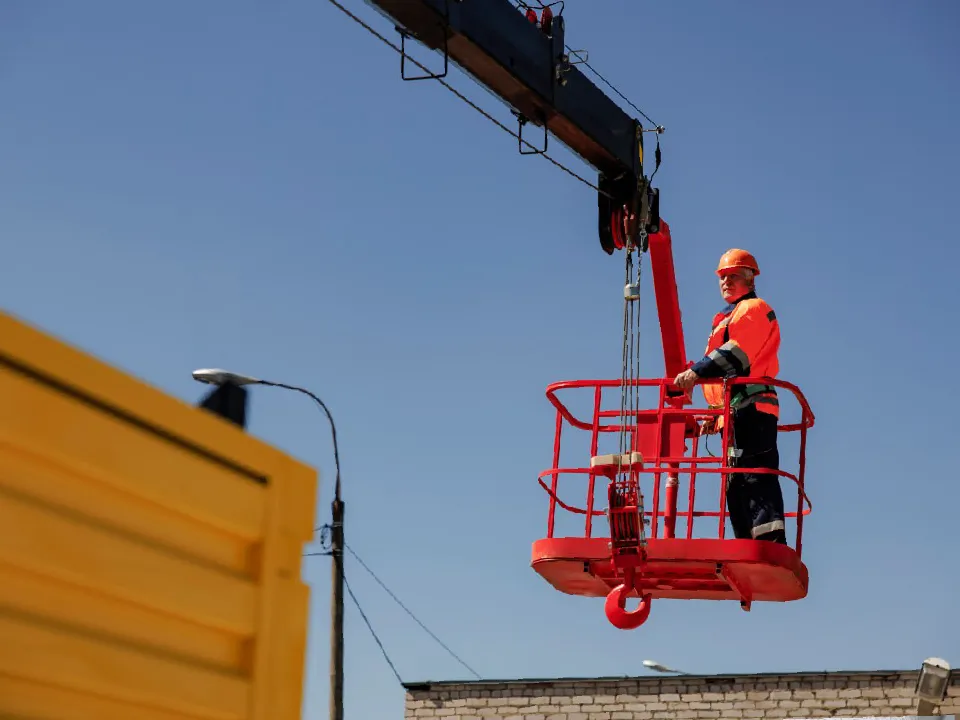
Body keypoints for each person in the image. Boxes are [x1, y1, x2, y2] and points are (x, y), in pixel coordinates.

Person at [673, 249, 787, 545]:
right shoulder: (728, 316)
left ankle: (769, 547)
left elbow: (735, 354)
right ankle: (748, 546)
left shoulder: (753, 309)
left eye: (732, 275)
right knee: (737, 484)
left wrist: (695, 372)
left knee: (754, 478)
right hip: (735, 413)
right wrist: (712, 417)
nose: (725, 281)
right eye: (722, 277)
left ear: (750, 277)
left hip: (753, 409)